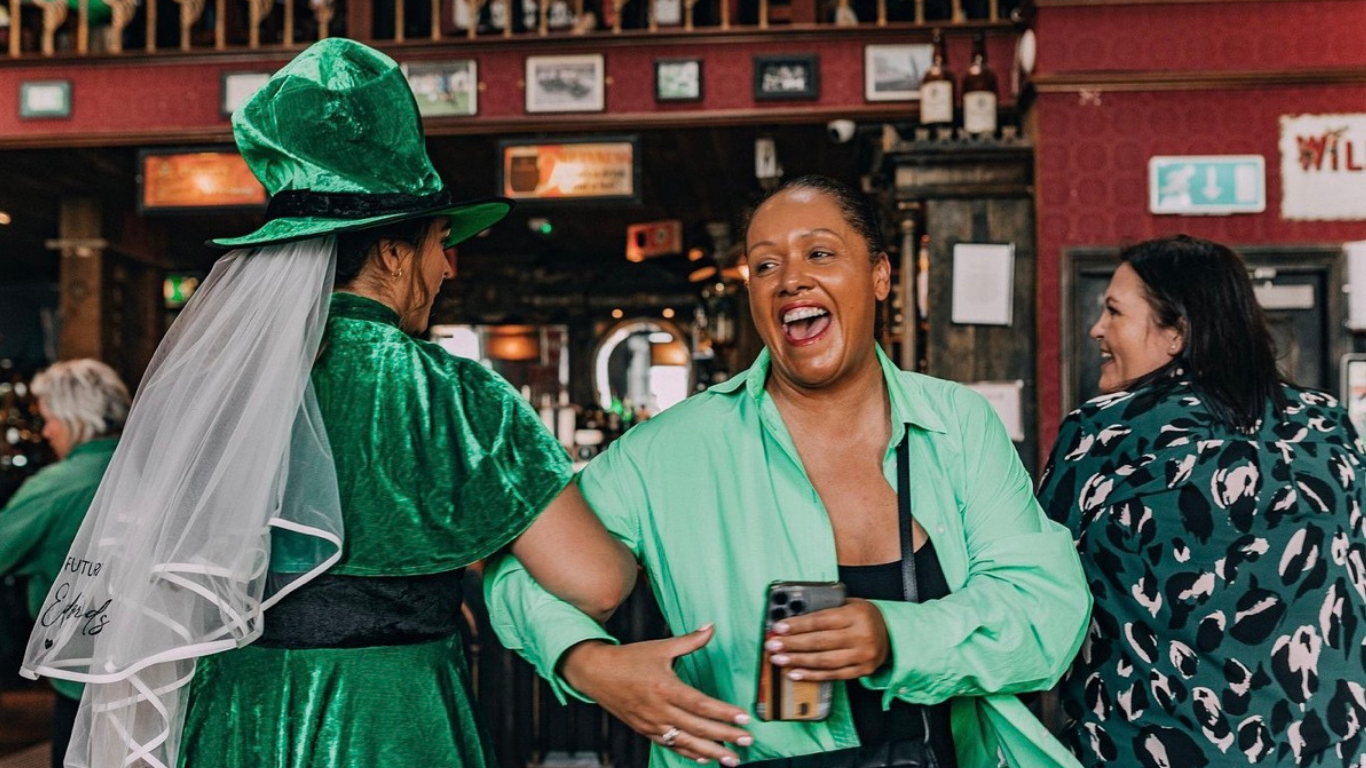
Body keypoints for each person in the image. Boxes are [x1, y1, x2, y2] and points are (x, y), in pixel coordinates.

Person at [21, 39, 634, 768]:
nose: (448, 267)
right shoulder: (458, 396)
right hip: (392, 718)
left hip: (233, 713)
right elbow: (597, 583)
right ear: (394, 253)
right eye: (441, 242)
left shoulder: (213, 392)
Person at [486, 175, 1091, 768]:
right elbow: (522, 573)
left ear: (881, 276)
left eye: (820, 253)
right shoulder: (670, 449)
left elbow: (1045, 609)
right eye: (766, 266)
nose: (790, 279)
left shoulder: (956, 423)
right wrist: (588, 662)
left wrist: (894, 637)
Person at [1037, 235, 1366, 768]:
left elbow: (1038, 593)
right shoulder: (1327, 425)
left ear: (1176, 333)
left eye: (1114, 312)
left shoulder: (1104, 434)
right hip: (1328, 747)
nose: (1098, 328)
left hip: (1155, 751)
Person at [0, 360, 129, 768]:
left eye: (50, 418)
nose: (47, 431)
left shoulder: (56, 487)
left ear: (75, 419)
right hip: (148, 663)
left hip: (82, 673)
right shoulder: (146, 469)